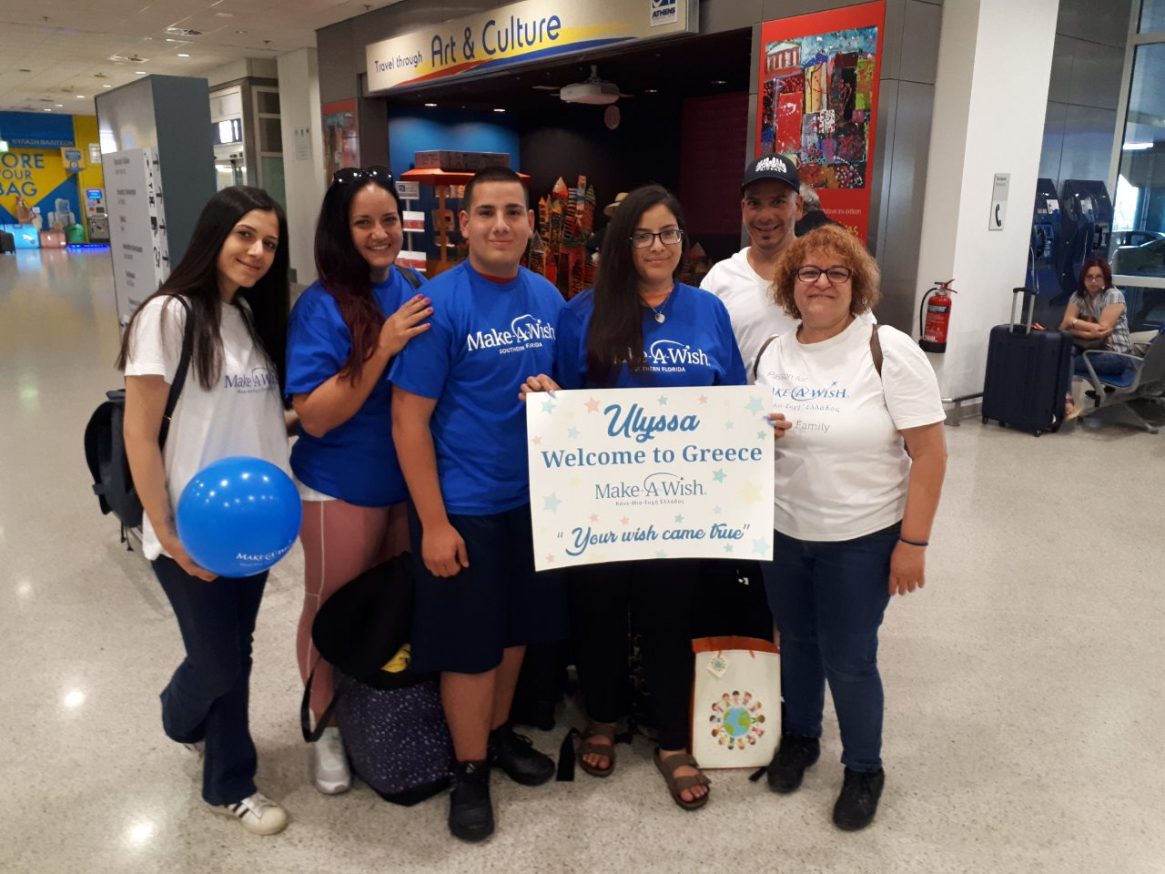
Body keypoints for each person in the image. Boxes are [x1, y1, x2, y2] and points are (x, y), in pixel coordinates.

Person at [526, 184, 746, 811]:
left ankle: (672, 739)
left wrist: (760, 425)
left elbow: (732, 398)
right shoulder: (583, 313)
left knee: (669, 617)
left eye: (668, 233)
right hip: (601, 504)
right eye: (643, 235)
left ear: (683, 240)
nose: (657, 246)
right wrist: (546, 398)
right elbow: (566, 403)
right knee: (598, 612)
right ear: (622, 243)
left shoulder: (708, 311)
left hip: (681, 506)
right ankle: (603, 718)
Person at [390, 166, 566, 842]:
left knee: (513, 633)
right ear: (463, 224)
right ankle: (468, 772)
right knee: (469, 649)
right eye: (486, 212)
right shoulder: (438, 305)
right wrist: (433, 524)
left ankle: (494, 738)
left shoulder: (548, 297)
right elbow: (408, 422)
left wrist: (554, 398)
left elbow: (565, 400)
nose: (500, 224)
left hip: (531, 502)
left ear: (531, 222)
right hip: (462, 506)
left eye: (513, 212)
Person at [755, 225, 947, 832]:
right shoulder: (771, 353)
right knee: (796, 640)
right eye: (808, 272)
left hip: (861, 538)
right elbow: (745, 439)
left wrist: (913, 543)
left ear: (856, 284)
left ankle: (864, 767)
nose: (821, 282)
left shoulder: (887, 349)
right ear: (790, 285)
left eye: (836, 272)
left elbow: (930, 455)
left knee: (850, 657)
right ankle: (801, 736)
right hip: (783, 531)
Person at [117, 186, 293, 836]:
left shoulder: (247, 318)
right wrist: (166, 531)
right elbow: (140, 433)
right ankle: (184, 725)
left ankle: (226, 776)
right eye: (245, 235)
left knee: (233, 653)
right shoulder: (168, 315)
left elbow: (244, 416)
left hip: (252, 524)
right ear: (214, 234)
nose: (257, 251)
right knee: (218, 661)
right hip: (190, 527)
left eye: (269, 243)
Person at [285, 166, 432, 794]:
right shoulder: (320, 306)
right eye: (363, 223)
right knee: (330, 609)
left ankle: (376, 713)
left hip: (408, 485)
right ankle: (324, 726)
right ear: (340, 232)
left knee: (388, 612)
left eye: (388, 220)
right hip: (340, 486)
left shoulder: (415, 286)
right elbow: (315, 415)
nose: (379, 233)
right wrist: (382, 347)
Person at [700, 155, 803, 374]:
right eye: (755, 203)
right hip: (736, 397)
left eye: (778, 202)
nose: (765, 216)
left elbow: (861, 344)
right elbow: (701, 356)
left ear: (799, 206)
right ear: (743, 208)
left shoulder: (828, 276)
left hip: (814, 397)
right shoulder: (720, 278)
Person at [1059, 256, 1133, 377]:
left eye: (1098, 277)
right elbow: (1063, 327)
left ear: (1105, 279)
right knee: (1062, 354)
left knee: (1064, 364)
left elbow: (1101, 330)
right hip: (1088, 348)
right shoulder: (1078, 296)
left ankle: (1064, 390)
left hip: (1116, 355)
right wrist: (1087, 333)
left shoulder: (1113, 295)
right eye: (1089, 277)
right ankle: (1063, 389)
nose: (1093, 281)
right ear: (1083, 278)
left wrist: (1073, 322)